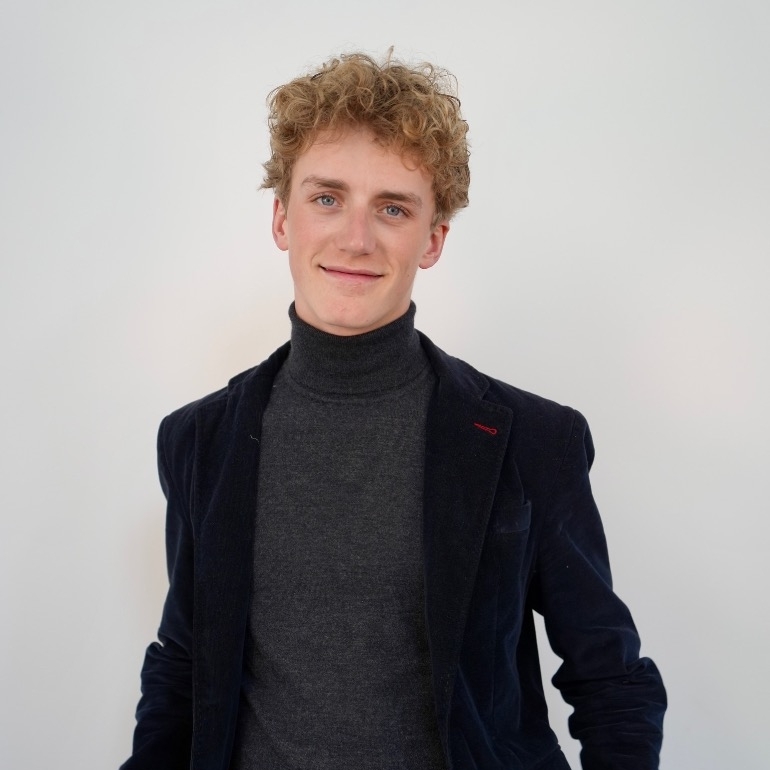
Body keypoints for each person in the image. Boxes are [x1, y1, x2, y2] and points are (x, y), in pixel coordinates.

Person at [121, 52, 666, 770]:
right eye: (326, 198)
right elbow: (185, 663)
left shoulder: (533, 440)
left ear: (432, 239)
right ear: (282, 218)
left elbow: (611, 681)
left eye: (393, 208)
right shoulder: (199, 439)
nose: (356, 238)